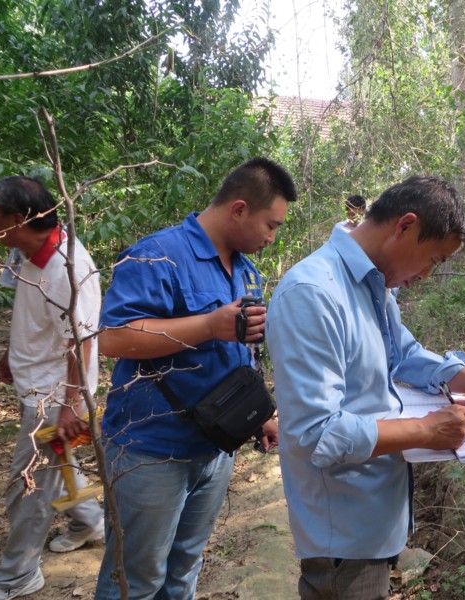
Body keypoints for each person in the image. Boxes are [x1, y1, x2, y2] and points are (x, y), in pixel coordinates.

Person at [266, 175, 465, 600]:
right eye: (432, 259)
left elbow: (399, 352)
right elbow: (316, 433)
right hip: (343, 530)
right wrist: (425, 430)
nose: (428, 274)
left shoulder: (375, 284)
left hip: (373, 516)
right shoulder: (313, 293)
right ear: (405, 226)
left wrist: (459, 376)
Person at [94, 157, 297, 600]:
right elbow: (113, 338)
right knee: (134, 577)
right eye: (271, 224)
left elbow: (239, 353)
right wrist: (207, 325)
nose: (272, 236)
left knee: (185, 566)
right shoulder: (158, 255)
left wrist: (257, 414)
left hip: (215, 447)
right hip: (151, 449)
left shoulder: (245, 270)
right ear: (239, 209)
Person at [0, 176, 104, 600]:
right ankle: (90, 522)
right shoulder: (22, 254)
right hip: (36, 386)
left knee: (28, 485)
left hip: (56, 398)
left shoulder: (69, 267)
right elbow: (30, 312)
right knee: (61, 464)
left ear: (18, 219)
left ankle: (17, 575)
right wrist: (11, 356)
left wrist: (70, 406)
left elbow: (83, 342)